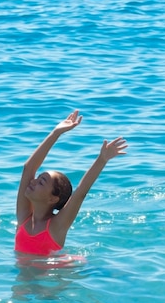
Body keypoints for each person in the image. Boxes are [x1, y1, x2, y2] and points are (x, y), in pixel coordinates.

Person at [15, 110, 127, 257]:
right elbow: (28, 169)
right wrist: (56, 133)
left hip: (52, 276)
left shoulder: (56, 226)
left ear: (53, 198)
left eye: (41, 181)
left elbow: (80, 193)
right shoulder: (24, 218)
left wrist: (102, 160)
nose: (33, 181)